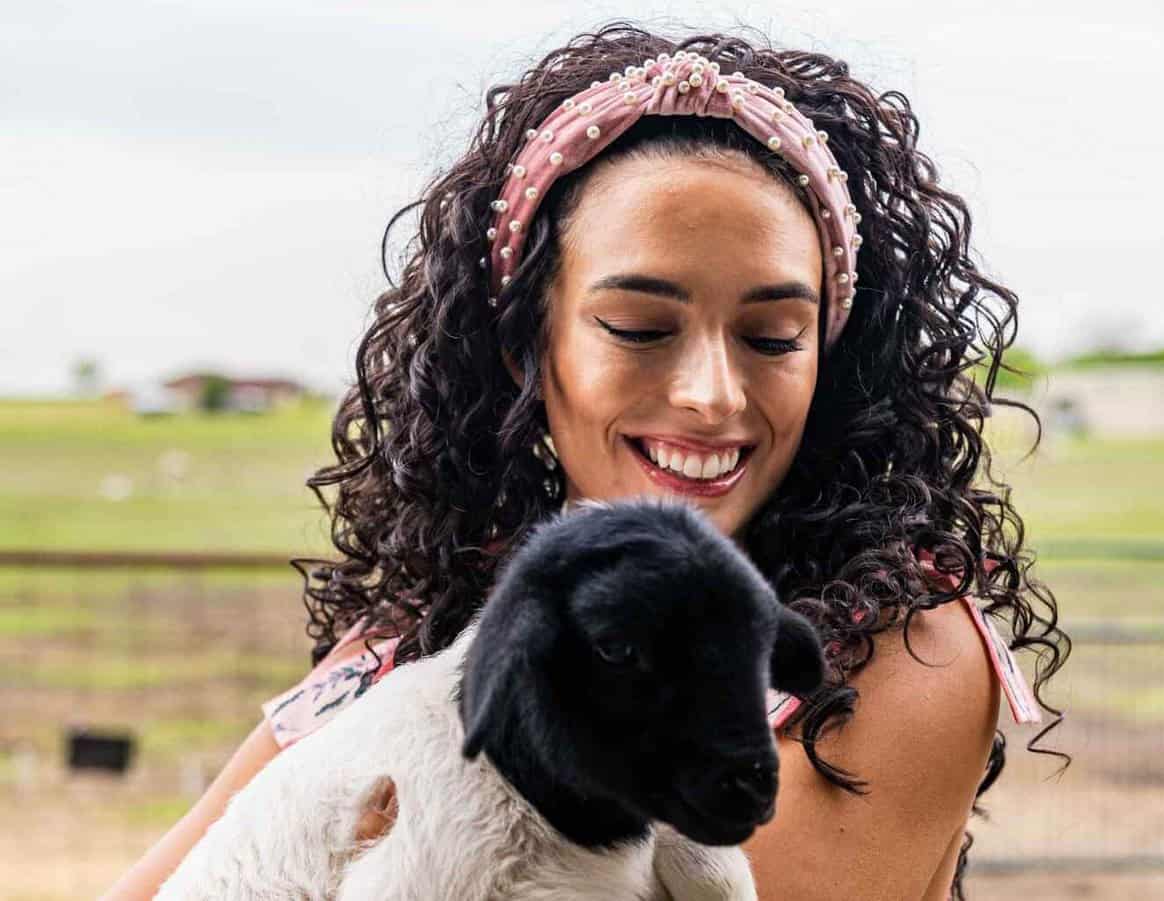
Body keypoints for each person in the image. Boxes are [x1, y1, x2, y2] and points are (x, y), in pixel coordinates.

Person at [104, 22, 1070, 901]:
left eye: (774, 337)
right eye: (640, 326)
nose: (714, 394)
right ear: (530, 346)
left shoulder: (895, 648)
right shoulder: (409, 641)